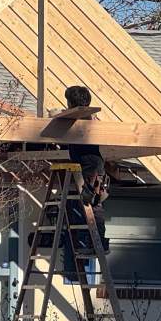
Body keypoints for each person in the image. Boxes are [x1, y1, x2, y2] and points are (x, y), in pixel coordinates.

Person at [62, 85, 110, 254]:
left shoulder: (85, 119)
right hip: (88, 164)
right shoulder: (83, 118)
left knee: (93, 203)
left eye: (68, 102)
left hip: (91, 166)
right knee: (89, 203)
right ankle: (94, 243)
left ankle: (98, 243)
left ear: (72, 103)